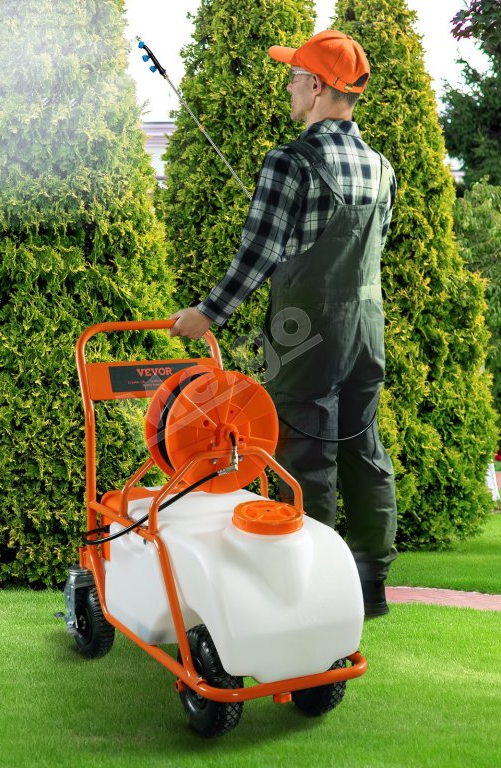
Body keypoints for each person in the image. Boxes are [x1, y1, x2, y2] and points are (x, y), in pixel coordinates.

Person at [169, 30, 399, 618]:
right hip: (367, 332)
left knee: (305, 456)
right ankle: (370, 585)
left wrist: (206, 314)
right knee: (365, 451)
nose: (290, 86)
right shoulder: (381, 168)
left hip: (306, 334)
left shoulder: (288, 162)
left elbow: (257, 254)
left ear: (317, 86)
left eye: (295, 77)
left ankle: (314, 587)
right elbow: (371, 247)